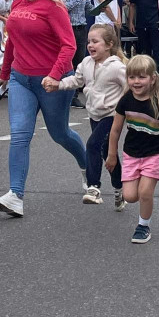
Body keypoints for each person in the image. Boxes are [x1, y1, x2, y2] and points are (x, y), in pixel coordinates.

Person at [0, 0, 88, 217]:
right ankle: (15, 195)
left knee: (60, 134)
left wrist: (55, 76)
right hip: (21, 79)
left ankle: (89, 169)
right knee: (20, 134)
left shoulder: (54, 7)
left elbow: (69, 46)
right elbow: (12, 42)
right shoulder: (18, 3)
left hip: (51, 82)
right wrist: (5, 72)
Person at [104, 54, 159, 244]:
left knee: (145, 192)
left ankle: (143, 226)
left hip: (155, 154)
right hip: (131, 154)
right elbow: (115, 131)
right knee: (131, 196)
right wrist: (112, 155)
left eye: (141, 77)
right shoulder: (125, 101)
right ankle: (136, 191)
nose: (136, 82)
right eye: (132, 77)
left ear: (152, 78)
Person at [48, 23, 128, 209]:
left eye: (95, 41)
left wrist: (126, 108)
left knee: (92, 144)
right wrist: (57, 84)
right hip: (95, 114)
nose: (90, 45)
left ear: (109, 44)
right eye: (89, 41)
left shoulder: (116, 67)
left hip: (112, 115)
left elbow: (130, 86)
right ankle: (119, 189)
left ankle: (93, 188)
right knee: (107, 153)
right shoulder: (86, 63)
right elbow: (77, 80)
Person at [58, 0, 93, 99]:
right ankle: (64, 91)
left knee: (79, 61)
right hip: (68, 28)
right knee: (68, 60)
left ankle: (74, 95)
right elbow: (63, 8)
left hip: (81, 28)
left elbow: (89, 9)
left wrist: (99, 8)